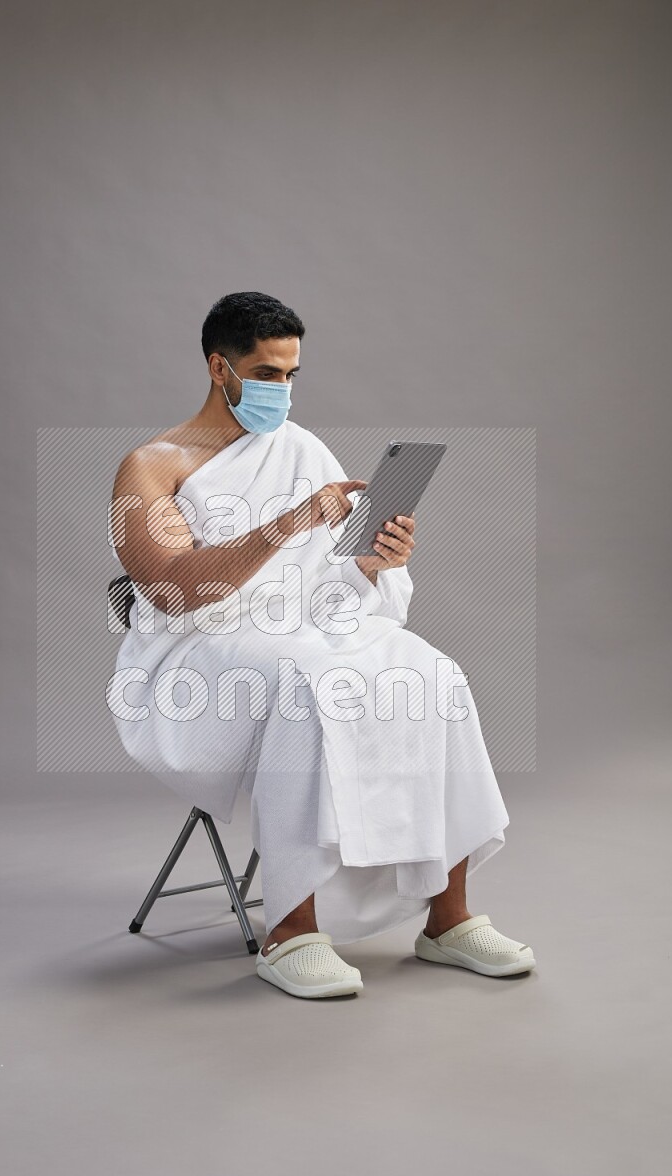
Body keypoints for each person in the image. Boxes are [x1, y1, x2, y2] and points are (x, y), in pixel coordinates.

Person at [107, 291, 536, 1000]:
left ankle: (449, 919)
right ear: (220, 367)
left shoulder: (299, 447)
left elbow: (324, 577)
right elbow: (173, 591)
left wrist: (373, 563)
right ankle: (291, 931)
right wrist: (289, 522)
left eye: (292, 375)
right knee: (309, 682)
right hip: (197, 649)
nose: (283, 390)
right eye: (268, 374)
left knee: (434, 674)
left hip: (304, 627)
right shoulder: (151, 466)